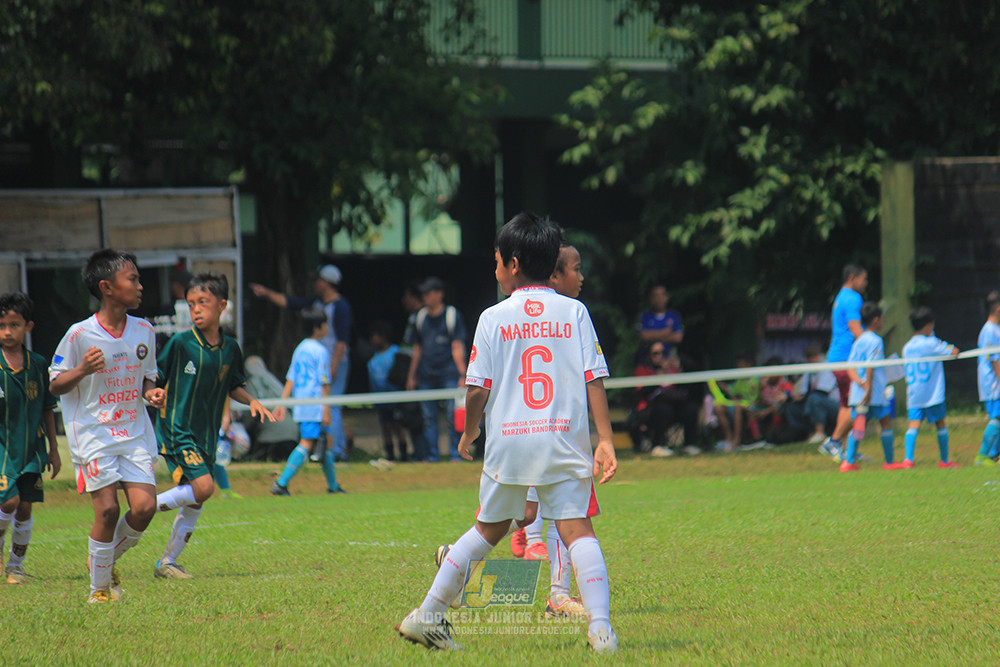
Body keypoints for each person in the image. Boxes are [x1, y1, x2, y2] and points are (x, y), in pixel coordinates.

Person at [397, 212, 619, 653]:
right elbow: (594, 378)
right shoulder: (574, 311)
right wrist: (606, 439)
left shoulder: (492, 317)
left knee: (486, 529)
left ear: (513, 263)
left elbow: (477, 387)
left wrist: (470, 431)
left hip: (509, 445)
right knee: (578, 531)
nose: (495, 268)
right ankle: (601, 630)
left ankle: (428, 615)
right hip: (561, 439)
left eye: (497, 260)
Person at [49, 249, 166, 603]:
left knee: (145, 507)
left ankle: (100, 560)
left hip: (134, 431)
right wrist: (82, 369)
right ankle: (99, 590)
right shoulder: (79, 335)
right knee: (108, 510)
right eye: (132, 279)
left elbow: (148, 378)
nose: (140, 285)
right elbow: (55, 384)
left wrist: (153, 392)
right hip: (94, 433)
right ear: (107, 287)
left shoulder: (144, 330)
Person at [152, 272, 275, 579]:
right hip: (178, 429)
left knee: (195, 500)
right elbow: (155, 378)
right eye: (191, 303)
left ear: (222, 306)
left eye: (202, 303)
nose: (195, 309)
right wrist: (152, 392)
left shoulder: (231, 349)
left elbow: (232, 385)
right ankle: (142, 510)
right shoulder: (180, 343)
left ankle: (168, 562)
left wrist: (253, 401)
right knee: (204, 488)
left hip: (205, 434)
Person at [250, 264, 352, 461]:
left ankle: (336, 450)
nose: (315, 284)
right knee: (319, 419)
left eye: (318, 280)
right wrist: (268, 294)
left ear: (328, 283)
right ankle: (329, 453)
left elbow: (342, 340)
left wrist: (335, 363)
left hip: (332, 362)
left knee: (332, 405)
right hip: (319, 365)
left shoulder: (340, 307)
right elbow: (291, 303)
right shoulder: (316, 305)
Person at [0, 292, 60, 585]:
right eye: (1, 325)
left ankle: (16, 566)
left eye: (14, 325)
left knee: (25, 507)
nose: (7, 332)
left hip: (32, 450)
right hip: (3, 449)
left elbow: (48, 408)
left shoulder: (37, 364)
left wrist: (54, 449)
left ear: (28, 327)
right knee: (8, 502)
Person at [271, 307, 345, 495]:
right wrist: (326, 409)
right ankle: (281, 482)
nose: (327, 327)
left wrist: (282, 403)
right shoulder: (320, 351)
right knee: (307, 443)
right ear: (317, 327)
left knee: (324, 444)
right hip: (315, 405)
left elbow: (291, 378)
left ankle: (333, 486)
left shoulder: (300, 348)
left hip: (302, 405)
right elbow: (324, 382)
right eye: (325, 324)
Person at [405, 277, 468, 462]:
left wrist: (462, 374)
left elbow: (457, 346)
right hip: (426, 375)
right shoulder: (420, 317)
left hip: (449, 374)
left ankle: (456, 454)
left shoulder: (451, 315)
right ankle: (432, 455)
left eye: (429, 293)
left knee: (452, 416)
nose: (425, 297)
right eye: (423, 293)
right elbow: (417, 349)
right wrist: (411, 376)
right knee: (428, 418)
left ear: (439, 294)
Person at [840, 303, 898, 472]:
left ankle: (849, 462)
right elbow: (869, 366)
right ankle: (889, 461)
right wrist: (869, 389)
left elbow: (850, 366)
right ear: (876, 320)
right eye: (882, 319)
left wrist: (859, 383)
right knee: (885, 423)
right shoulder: (875, 340)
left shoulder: (859, 341)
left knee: (858, 425)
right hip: (874, 393)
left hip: (859, 393)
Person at [901, 306, 960, 469]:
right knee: (940, 424)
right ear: (928, 325)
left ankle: (908, 459)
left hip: (914, 393)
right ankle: (944, 460)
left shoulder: (907, 347)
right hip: (932, 393)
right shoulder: (932, 343)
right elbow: (953, 351)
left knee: (913, 425)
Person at [820, 264, 868, 459]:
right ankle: (834, 442)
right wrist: (873, 346)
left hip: (838, 357)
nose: (865, 283)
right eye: (863, 279)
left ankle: (848, 450)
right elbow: (856, 329)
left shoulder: (841, 297)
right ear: (852, 278)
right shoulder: (853, 298)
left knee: (846, 404)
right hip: (847, 359)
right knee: (857, 403)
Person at [631, 343, 701, 457]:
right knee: (663, 409)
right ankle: (658, 445)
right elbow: (642, 392)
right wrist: (660, 375)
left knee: (691, 408)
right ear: (648, 356)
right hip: (650, 409)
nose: (660, 356)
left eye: (663, 353)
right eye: (656, 353)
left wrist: (679, 371)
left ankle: (689, 444)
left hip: (674, 407)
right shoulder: (642, 370)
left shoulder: (673, 370)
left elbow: (686, 390)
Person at [367, 320, 408, 462]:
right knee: (385, 427)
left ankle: (404, 455)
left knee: (398, 426)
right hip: (380, 399)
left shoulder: (396, 353)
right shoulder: (372, 359)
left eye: (375, 336)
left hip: (395, 398)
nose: (372, 339)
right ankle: (389, 454)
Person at [784, 342, 839, 444]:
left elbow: (821, 392)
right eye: (810, 357)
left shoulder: (826, 367)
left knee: (814, 399)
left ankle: (820, 432)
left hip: (835, 406)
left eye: (814, 356)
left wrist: (802, 398)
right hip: (814, 401)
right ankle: (808, 433)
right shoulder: (809, 371)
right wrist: (789, 398)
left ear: (820, 355)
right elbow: (803, 393)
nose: (812, 360)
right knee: (792, 408)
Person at [710, 353, 761, 451]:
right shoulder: (740, 379)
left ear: (749, 364)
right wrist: (716, 382)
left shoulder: (757, 379)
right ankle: (728, 437)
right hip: (739, 404)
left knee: (737, 407)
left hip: (752, 406)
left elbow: (759, 397)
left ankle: (736, 440)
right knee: (719, 408)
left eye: (741, 364)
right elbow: (731, 390)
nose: (738, 367)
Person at [976, 291, 1000, 465]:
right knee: (997, 417)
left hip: (995, 382)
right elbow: (994, 360)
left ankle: (993, 455)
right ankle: (983, 455)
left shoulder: (995, 329)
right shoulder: (989, 331)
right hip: (993, 384)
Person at [637, 284, 683, 357]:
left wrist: (652, 336)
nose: (659, 299)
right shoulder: (645, 316)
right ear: (651, 299)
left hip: (669, 359)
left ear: (667, 297)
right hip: (648, 359)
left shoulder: (674, 315)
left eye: (662, 295)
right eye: (656, 296)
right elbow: (643, 336)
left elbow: (678, 338)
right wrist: (665, 332)